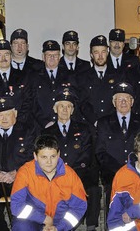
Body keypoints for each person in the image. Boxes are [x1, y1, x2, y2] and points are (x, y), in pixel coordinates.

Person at [41, 88, 99, 230]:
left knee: (93, 189)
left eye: (68, 106)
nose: (65, 110)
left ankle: (91, 226)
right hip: (55, 174)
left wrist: (73, 172)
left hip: (80, 172)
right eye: (61, 106)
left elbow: (87, 154)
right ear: (55, 109)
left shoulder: (84, 129)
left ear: (73, 110)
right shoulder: (47, 132)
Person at [0, 96, 36, 231]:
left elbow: (33, 157)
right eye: (0, 115)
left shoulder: (28, 131)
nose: (4, 118)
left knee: (28, 196)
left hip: (20, 178)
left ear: (15, 114)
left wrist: (16, 173)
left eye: (7, 114)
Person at [96, 82, 140, 216]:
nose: (123, 102)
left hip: (138, 170)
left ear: (132, 102)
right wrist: (119, 170)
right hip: (112, 172)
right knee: (113, 198)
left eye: (126, 99)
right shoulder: (104, 122)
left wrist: (134, 168)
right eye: (119, 99)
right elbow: (100, 152)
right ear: (114, 102)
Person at [10, 134, 87, 231]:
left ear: (59, 154)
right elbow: (16, 206)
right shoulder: (25, 172)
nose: (49, 162)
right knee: (21, 226)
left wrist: (58, 228)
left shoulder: (70, 175)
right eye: (44, 157)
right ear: (35, 156)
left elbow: (79, 208)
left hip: (61, 223)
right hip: (33, 220)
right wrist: (44, 219)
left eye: (53, 156)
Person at [0, 39, 34, 127]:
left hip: (20, 127)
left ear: (11, 56)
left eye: (6, 54)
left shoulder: (23, 76)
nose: (3, 58)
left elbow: (28, 102)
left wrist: (17, 123)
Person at [74, 35, 123, 124]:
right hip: (90, 126)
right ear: (91, 54)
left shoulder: (118, 76)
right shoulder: (82, 77)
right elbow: (82, 103)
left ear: (108, 53)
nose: (100, 56)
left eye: (103, 52)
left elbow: (120, 101)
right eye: (96, 52)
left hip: (113, 124)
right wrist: (95, 121)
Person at [33, 40, 75, 128]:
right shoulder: (34, 76)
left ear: (59, 57)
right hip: (41, 126)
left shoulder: (69, 75)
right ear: (43, 57)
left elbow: (75, 100)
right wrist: (45, 122)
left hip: (65, 125)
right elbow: (32, 103)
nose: (52, 58)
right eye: (49, 55)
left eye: (55, 55)